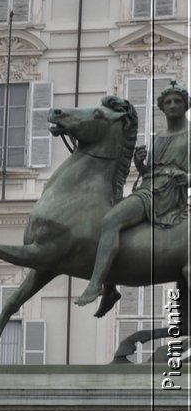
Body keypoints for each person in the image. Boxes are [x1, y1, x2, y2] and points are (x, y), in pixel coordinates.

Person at [77, 81, 189, 306]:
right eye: (168, 102)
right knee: (107, 220)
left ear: (186, 105)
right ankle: (110, 289)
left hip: (167, 197)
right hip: (148, 189)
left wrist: (187, 179)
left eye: (178, 101)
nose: (173, 105)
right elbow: (151, 172)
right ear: (162, 107)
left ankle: (96, 284)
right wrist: (141, 165)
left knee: (111, 221)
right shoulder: (158, 137)